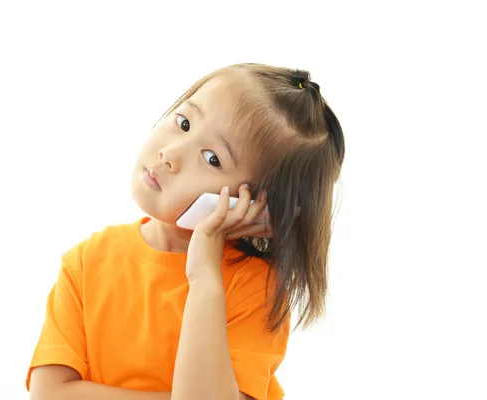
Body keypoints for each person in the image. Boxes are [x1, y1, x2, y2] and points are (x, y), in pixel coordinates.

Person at [26, 63, 345, 400]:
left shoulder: (255, 288)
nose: (171, 154)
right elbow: (48, 394)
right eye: (184, 123)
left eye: (211, 158)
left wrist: (204, 277)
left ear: (257, 204)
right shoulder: (87, 261)